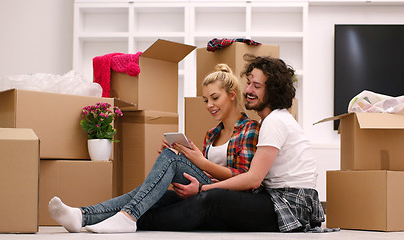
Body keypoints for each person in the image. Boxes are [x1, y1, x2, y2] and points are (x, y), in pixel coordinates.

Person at [47, 64, 260, 233]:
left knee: (171, 159)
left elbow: (245, 180)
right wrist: (185, 157)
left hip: (228, 198)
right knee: (149, 188)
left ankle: (128, 218)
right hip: (204, 190)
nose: (209, 105)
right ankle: (82, 216)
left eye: (215, 98)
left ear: (232, 95)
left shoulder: (249, 129)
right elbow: (205, 172)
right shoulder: (212, 134)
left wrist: (196, 162)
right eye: (205, 100)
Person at [136, 55, 326, 232]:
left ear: (273, 91)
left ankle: (137, 221)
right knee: (173, 197)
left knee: (213, 199)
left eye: (257, 86)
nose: (249, 90)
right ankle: (128, 215)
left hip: (290, 205)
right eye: (249, 83)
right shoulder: (268, 121)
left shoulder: (275, 121)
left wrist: (203, 188)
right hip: (273, 197)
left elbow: (253, 179)